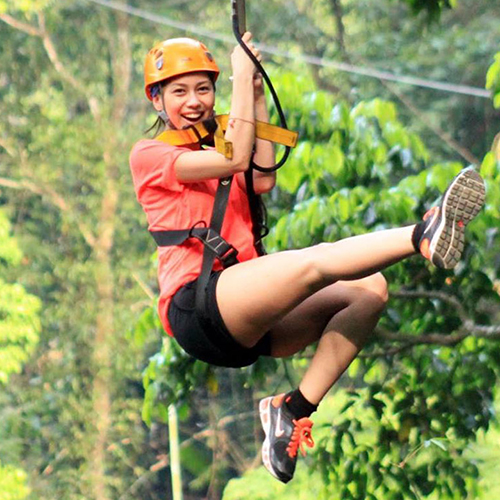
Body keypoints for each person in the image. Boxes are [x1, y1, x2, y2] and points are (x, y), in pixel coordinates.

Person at [129, 34, 486, 484]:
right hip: (197, 307)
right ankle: (422, 233)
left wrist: (255, 93)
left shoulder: (221, 137)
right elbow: (237, 158)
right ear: (157, 100)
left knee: (370, 291)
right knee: (313, 263)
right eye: (180, 92)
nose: (195, 101)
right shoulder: (150, 155)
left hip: (247, 317)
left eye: (204, 89)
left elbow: (260, 177)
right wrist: (241, 74)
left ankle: (291, 410)